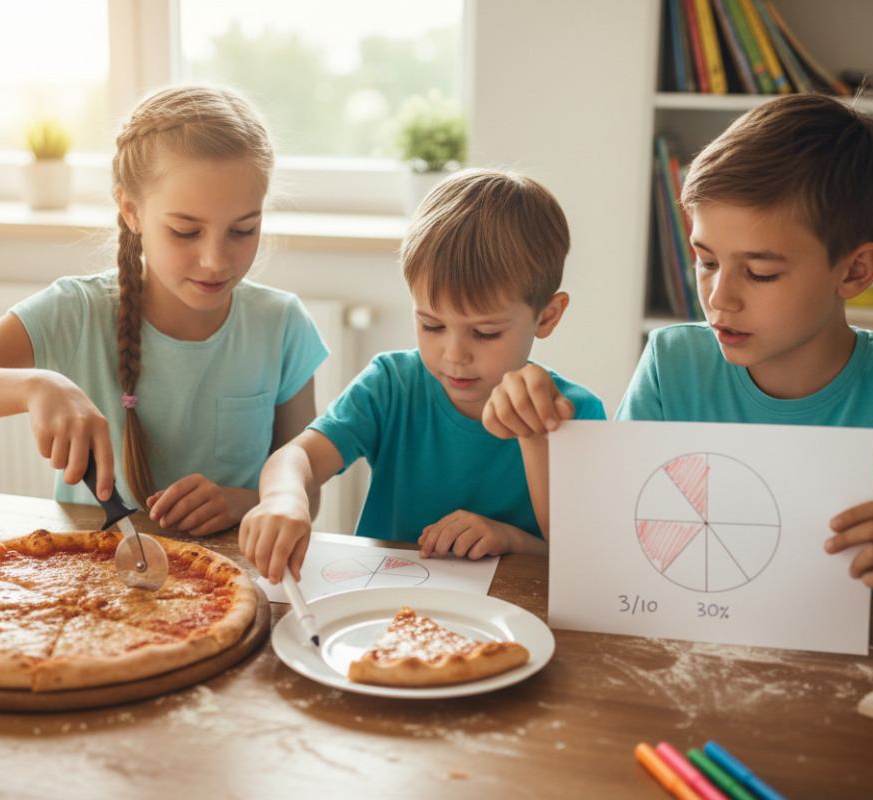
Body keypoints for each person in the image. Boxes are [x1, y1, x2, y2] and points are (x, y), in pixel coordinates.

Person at [486, 93, 873, 623]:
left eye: (760, 272)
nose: (719, 298)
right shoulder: (673, 363)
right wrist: (535, 433)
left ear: (854, 271)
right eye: (706, 261)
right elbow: (602, 555)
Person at [0, 85, 328, 537]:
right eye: (186, 232)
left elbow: (307, 489)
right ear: (130, 209)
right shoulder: (75, 312)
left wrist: (243, 502)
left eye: (243, 229)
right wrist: (33, 385)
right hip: (93, 585)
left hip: (236, 577)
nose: (216, 259)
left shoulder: (281, 325)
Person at [239, 168, 606, 583]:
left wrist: (512, 537)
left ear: (548, 316)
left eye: (485, 332)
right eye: (432, 325)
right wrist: (285, 498)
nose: (453, 355)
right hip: (384, 615)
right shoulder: (391, 385)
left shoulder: (577, 413)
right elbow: (298, 456)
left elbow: (586, 565)